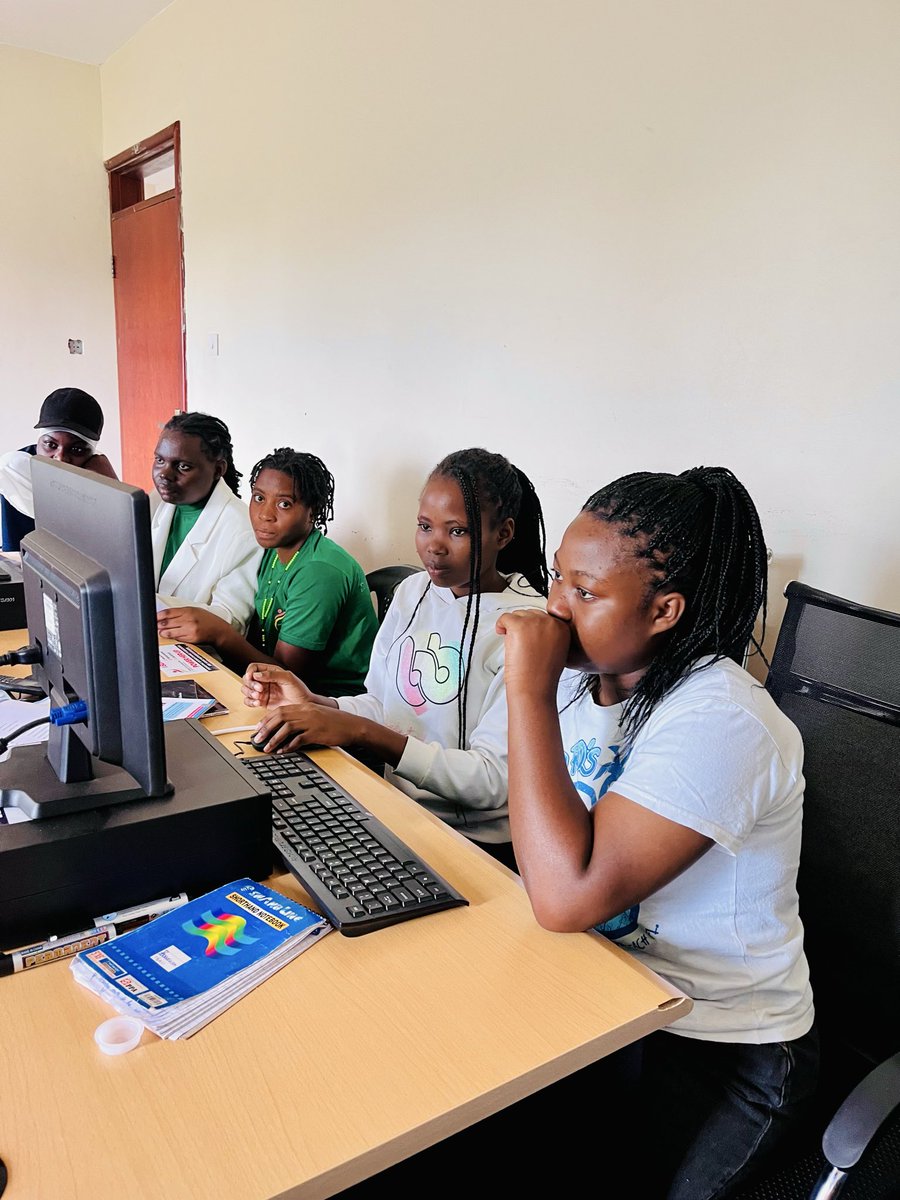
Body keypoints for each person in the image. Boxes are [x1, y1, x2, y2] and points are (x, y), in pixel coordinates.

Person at [496, 466, 818, 1199]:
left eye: (585, 592)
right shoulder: (593, 680)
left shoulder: (723, 720)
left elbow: (566, 895)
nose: (555, 607)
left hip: (727, 1049)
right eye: (557, 580)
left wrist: (526, 690)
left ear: (665, 609)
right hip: (615, 1002)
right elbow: (517, 805)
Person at [240, 447, 550, 871]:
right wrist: (315, 702)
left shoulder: (527, 627)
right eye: (425, 527)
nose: (434, 547)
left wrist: (361, 732)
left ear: (503, 533)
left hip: (475, 847)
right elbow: (383, 705)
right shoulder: (412, 591)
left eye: (457, 531)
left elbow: (492, 782)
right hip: (397, 813)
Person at [157, 447, 377, 695]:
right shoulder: (273, 549)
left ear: (312, 511)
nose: (264, 515)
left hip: (328, 703)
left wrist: (220, 633)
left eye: (284, 504)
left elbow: (286, 677)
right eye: (259, 498)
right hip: (269, 688)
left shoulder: (318, 572)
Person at [151, 412, 261, 632]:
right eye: (160, 460)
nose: (164, 474)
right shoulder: (151, 504)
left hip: (198, 655)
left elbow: (231, 619)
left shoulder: (244, 531)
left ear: (218, 469)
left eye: (182, 466)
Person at [0, 387, 117, 551]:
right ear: (39, 441)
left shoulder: (96, 473)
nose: (60, 458)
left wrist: (111, 486)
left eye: (76, 450)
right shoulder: (18, 471)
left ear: (92, 453)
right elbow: (15, 554)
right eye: (50, 445)